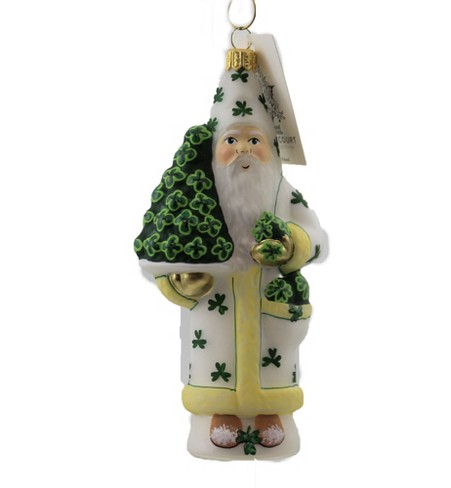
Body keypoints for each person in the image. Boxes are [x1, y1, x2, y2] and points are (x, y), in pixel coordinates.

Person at [135, 48, 328, 459]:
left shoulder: (283, 193)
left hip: (268, 303)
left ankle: (271, 416)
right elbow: (166, 256)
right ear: (215, 147)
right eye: (232, 140)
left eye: (254, 140)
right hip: (214, 306)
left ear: (270, 146)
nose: (243, 149)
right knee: (213, 355)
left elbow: (317, 238)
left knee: (273, 362)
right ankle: (218, 415)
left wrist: (291, 244)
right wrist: (179, 284)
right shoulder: (198, 195)